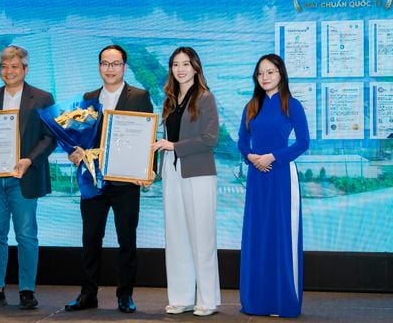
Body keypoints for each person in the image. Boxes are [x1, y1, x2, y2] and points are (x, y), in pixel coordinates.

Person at [64, 44, 154, 314]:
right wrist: (73, 152)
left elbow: (148, 134)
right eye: (105, 63)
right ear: (99, 66)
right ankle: (87, 294)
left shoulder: (139, 96)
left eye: (115, 64)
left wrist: (148, 170)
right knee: (90, 239)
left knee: (127, 240)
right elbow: (79, 135)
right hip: (93, 180)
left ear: (124, 67)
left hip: (126, 181)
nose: (110, 69)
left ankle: (125, 295)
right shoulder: (89, 98)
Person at [0, 45, 56, 310]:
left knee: (26, 236)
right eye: (4, 67)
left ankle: (27, 290)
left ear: (25, 69)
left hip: (24, 177)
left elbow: (50, 137)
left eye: (15, 66)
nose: (9, 71)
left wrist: (28, 159)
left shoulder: (42, 98)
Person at [237, 54, 310, 318]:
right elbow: (242, 141)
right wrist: (251, 157)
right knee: (257, 235)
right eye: (260, 73)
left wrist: (273, 157)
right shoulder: (251, 106)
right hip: (257, 177)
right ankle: (257, 302)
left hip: (281, 176)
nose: (265, 77)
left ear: (281, 74)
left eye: (270, 72)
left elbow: (303, 142)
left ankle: (283, 302)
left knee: (282, 236)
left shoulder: (292, 104)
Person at [151, 47, 221, 316]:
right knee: (176, 235)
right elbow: (163, 141)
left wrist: (174, 145)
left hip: (199, 173)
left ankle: (207, 300)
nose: (180, 69)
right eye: (175, 64)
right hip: (172, 171)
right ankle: (181, 298)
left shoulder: (205, 97)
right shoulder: (169, 100)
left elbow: (210, 139)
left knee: (202, 237)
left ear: (196, 67)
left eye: (186, 64)